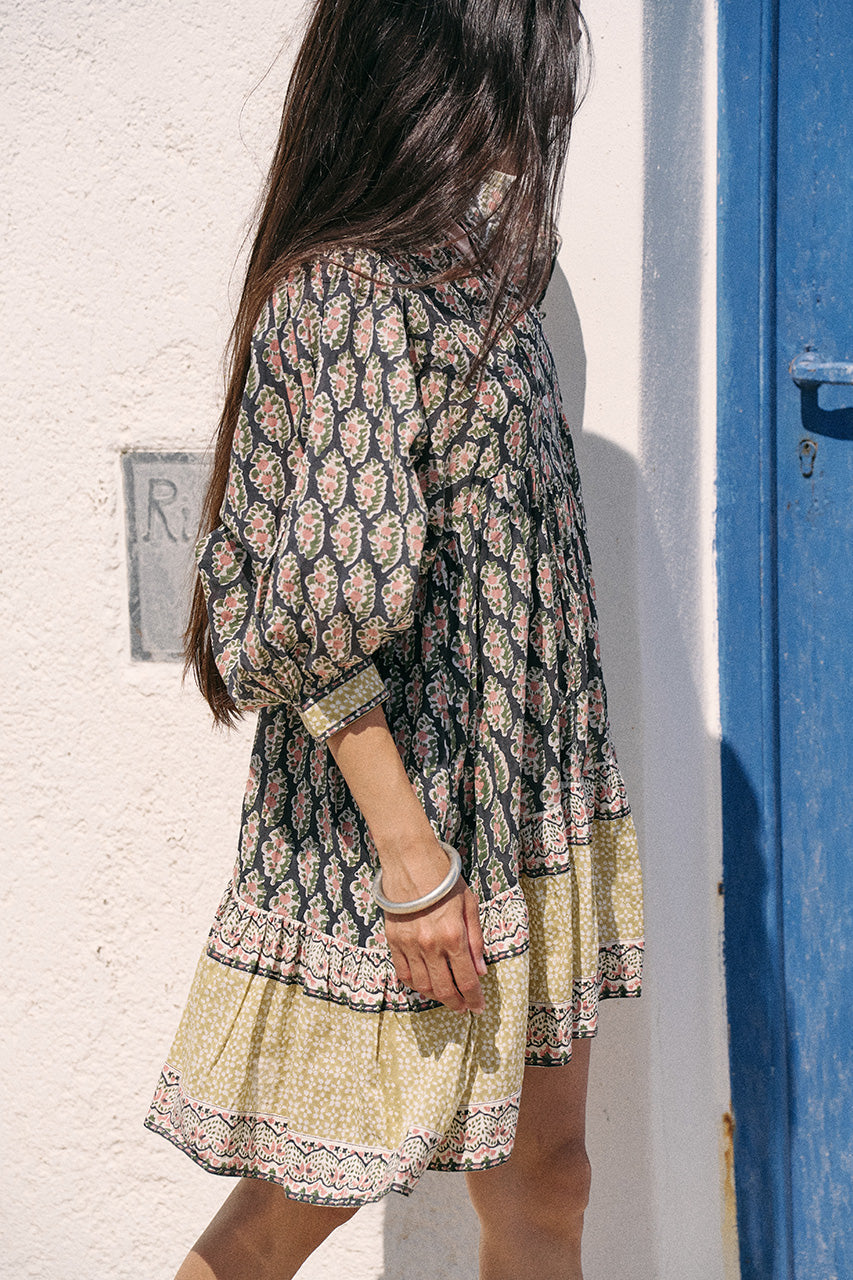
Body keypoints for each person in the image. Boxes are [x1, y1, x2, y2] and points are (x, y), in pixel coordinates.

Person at [144, 2, 644, 1277]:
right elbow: (314, 612)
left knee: (549, 1178)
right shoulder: (351, 291)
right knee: (288, 1212)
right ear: (446, 70)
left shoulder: (480, 279)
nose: (543, 113)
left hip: (522, 821)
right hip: (406, 848)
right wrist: (413, 866)